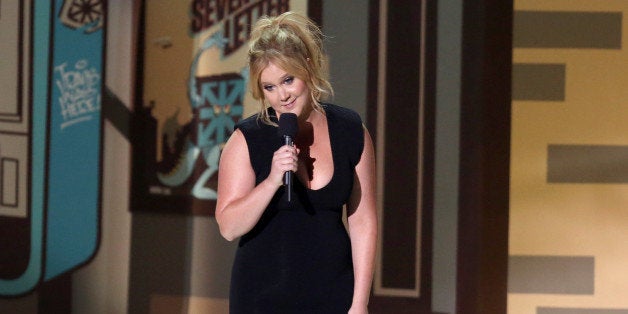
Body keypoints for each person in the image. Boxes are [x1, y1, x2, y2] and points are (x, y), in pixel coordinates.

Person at [216, 11, 377, 314]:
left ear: (307, 67)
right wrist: (271, 181)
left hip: (333, 292)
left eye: (288, 80)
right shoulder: (246, 140)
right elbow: (228, 226)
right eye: (270, 87)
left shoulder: (351, 130)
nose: (282, 96)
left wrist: (359, 302)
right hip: (263, 296)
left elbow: (363, 220)